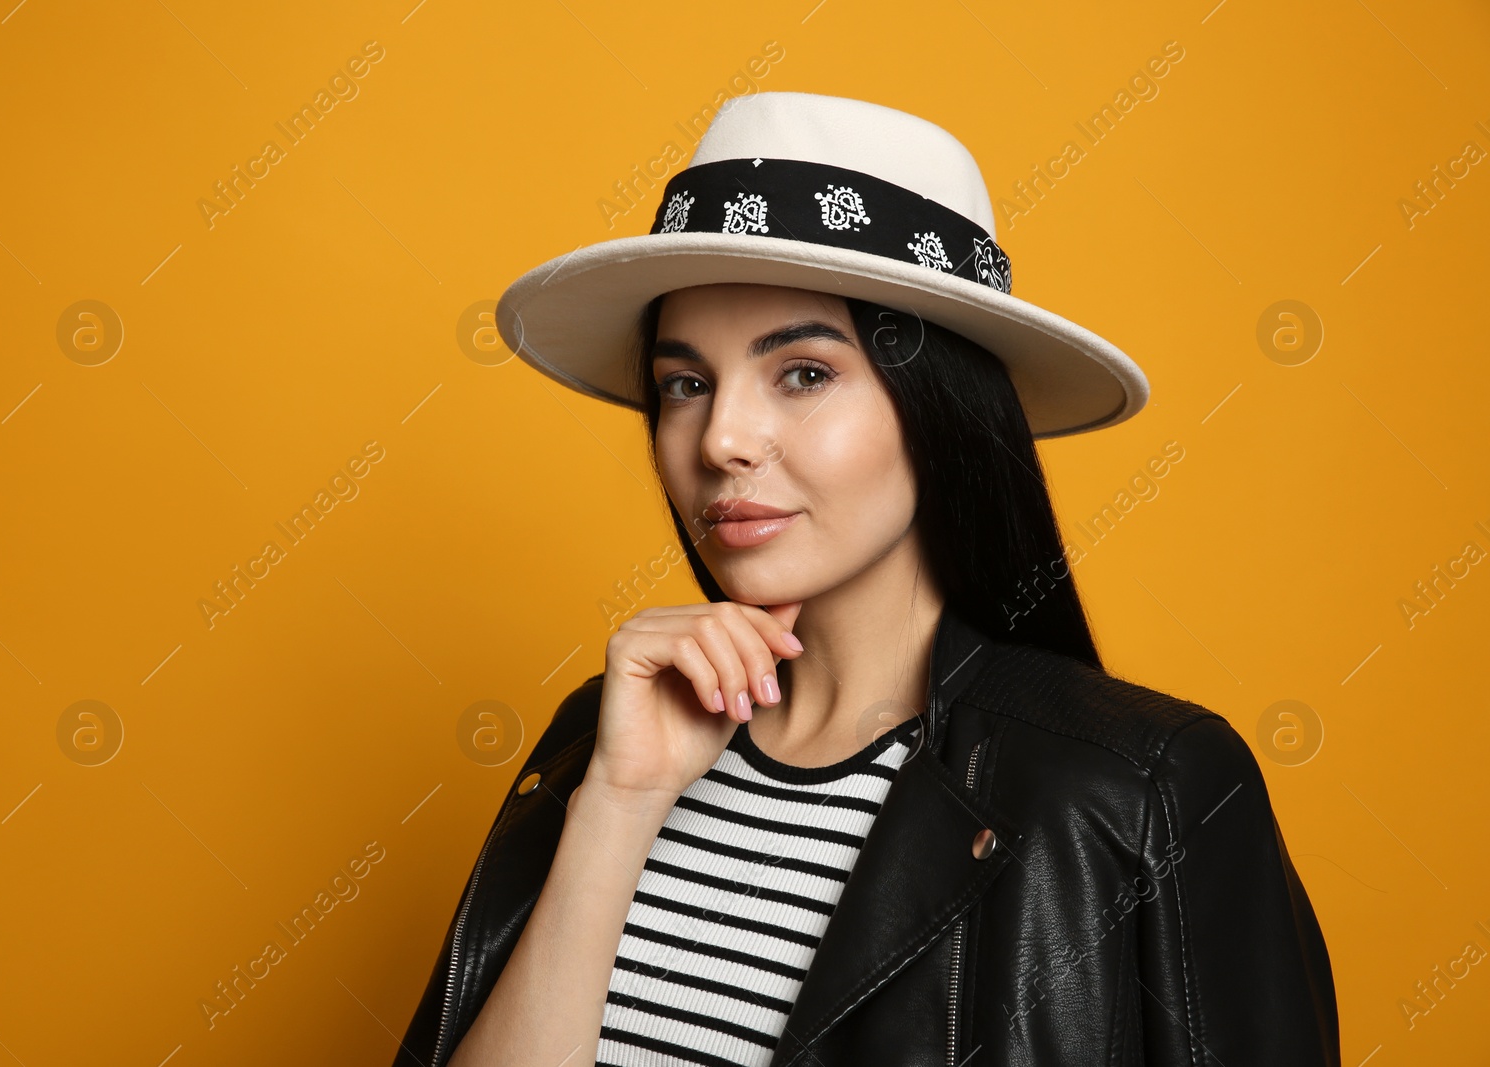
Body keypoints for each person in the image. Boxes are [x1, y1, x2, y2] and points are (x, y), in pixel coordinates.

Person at [392, 91, 1339, 1066]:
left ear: (940, 410)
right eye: (684, 382)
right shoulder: (599, 741)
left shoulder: (1139, 787)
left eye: (802, 372)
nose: (718, 439)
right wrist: (618, 802)